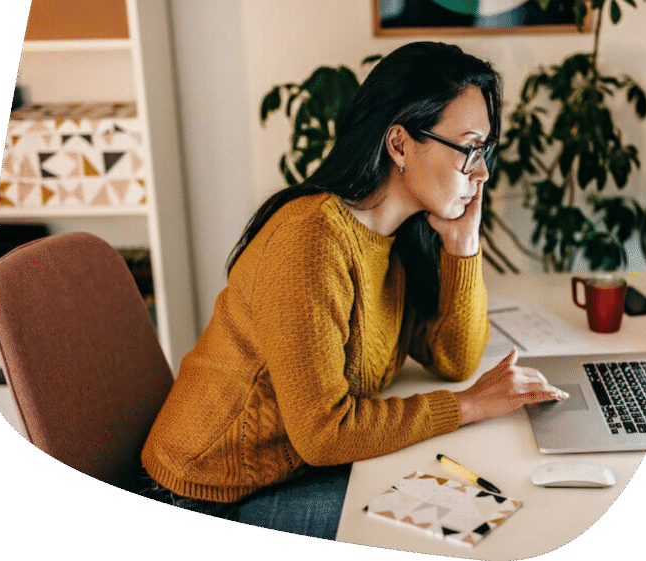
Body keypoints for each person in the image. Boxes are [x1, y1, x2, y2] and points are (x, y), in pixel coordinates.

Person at [138, 41, 568, 540]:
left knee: (490, 508)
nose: (483, 172)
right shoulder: (312, 238)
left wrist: (462, 244)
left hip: (295, 470)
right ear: (401, 144)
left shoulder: (398, 236)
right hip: (205, 498)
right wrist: (469, 405)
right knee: (463, 528)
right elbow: (325, 435)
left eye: (485, 150)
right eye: (469, 148)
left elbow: (455, 358)